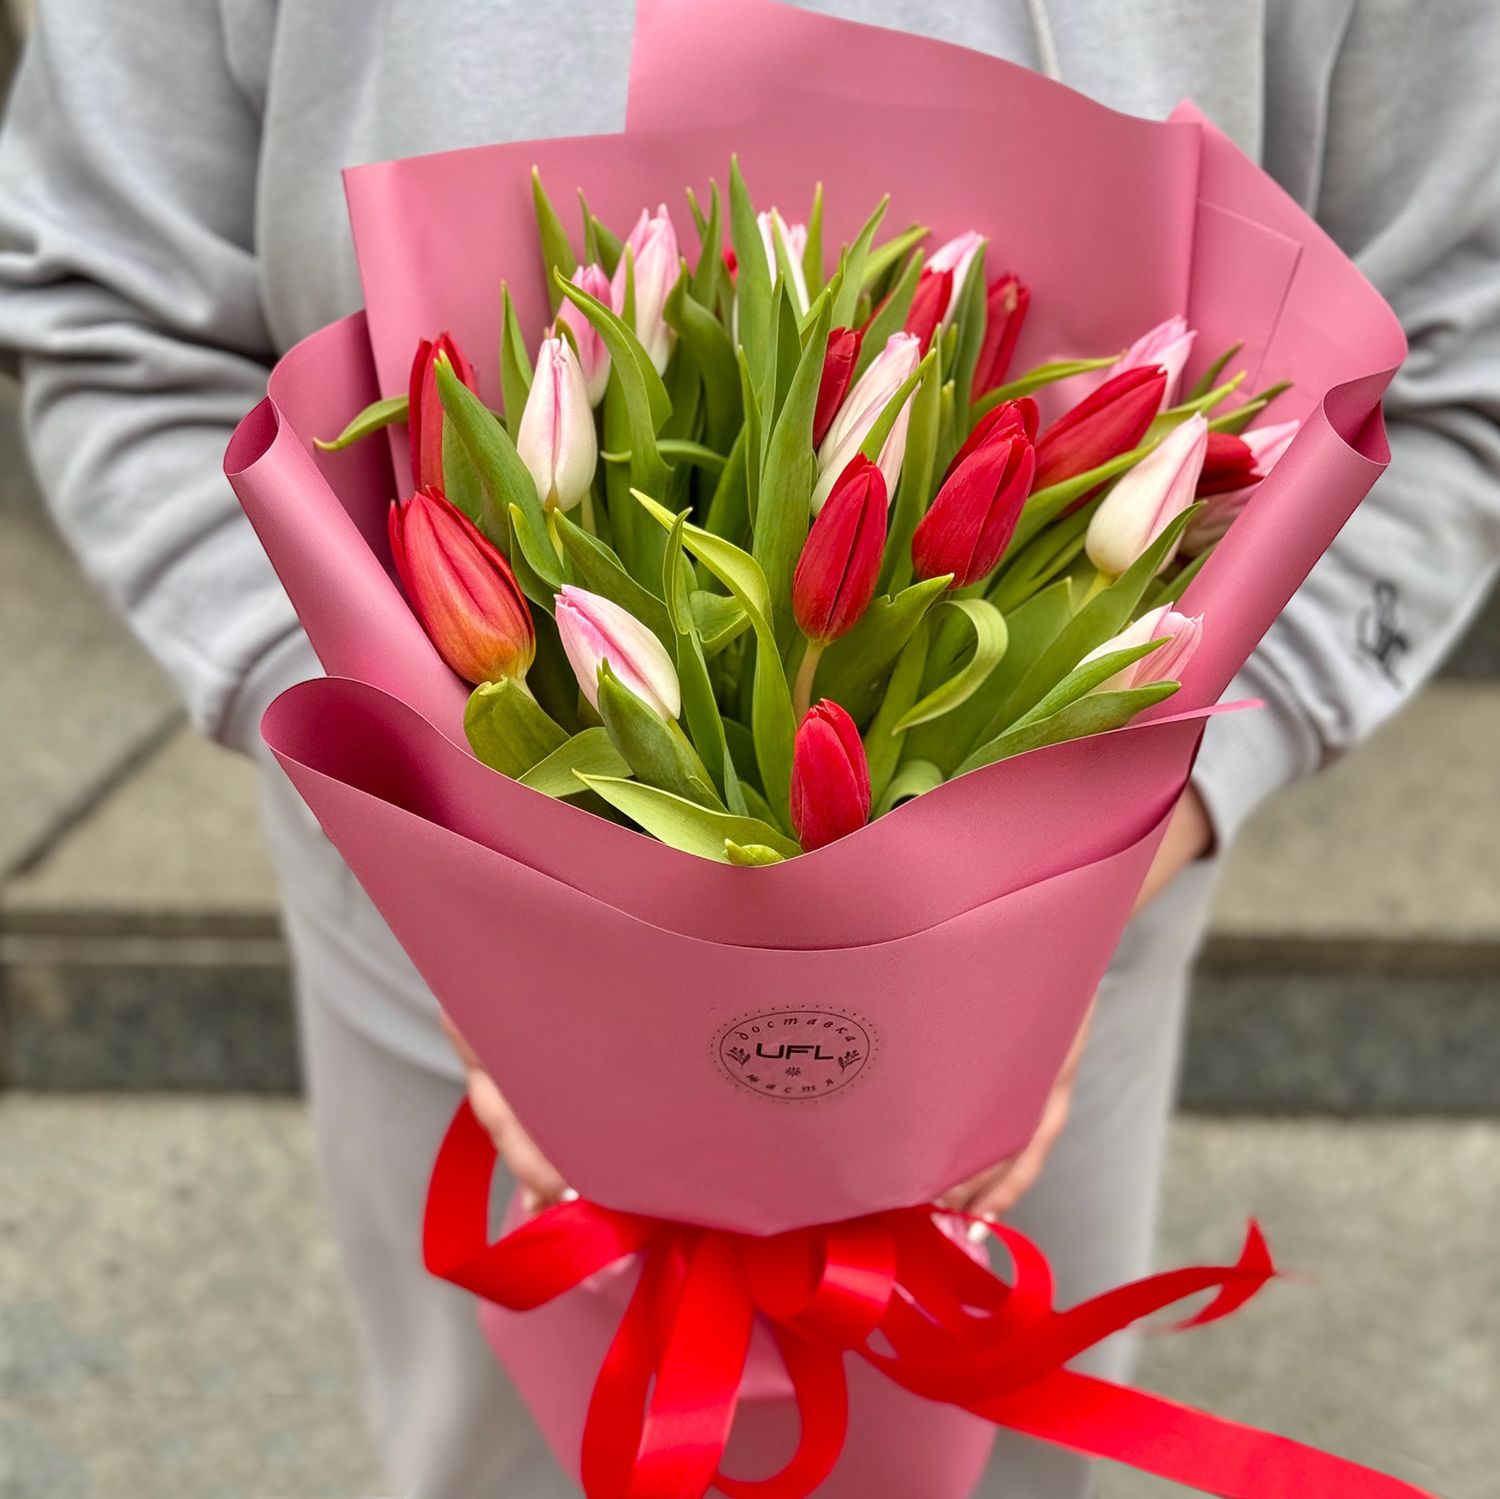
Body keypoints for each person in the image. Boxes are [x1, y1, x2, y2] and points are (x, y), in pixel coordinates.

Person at [1, 2, 1497, 1495]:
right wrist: (415, 832)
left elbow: (1450, 359)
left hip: (1056, 1000)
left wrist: (1141, 841)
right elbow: (111, 317)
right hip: (425, 983)